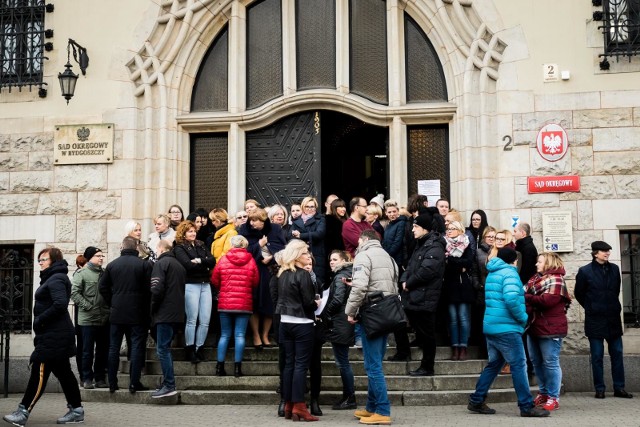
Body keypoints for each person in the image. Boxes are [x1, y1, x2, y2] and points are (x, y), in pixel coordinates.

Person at [3, 248, 85, 426]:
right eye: (39, 259)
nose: (39, 262)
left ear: (53, 261)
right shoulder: (54, 277)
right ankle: (76, 410)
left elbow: (60, 304)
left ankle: (23, 412)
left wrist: (39, 319)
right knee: (64, 373)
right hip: (55, 335)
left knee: (39, 372)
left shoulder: (55, 279)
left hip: (54, 337)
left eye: (43, 259)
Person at [467, 248, 549, 417]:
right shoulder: (510, 274)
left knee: (494, 364)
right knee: (519, 365)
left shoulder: (493, 273)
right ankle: (526, 406)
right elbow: (512, 299)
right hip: (507, 328)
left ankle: (476, 400)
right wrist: (523, 317)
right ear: (513, 260)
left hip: (492, 326)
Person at [345, 229, 398, 425]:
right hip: (386, 315)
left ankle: (382, 411)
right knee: (374, 362)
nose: (357, 244)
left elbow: (360, 287)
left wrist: (350, 311)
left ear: (365, 240)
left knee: (372, 365)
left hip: (371, 315)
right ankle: (371, 406)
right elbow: (393, 287)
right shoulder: (388, 257)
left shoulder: (363, 255)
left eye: (358, 241)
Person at [575, 240, 633, 399]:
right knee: (597, 355)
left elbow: (615, 290)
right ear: (595, 253)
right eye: (603, 251)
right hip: (595, 318)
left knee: (617, 354)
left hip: (613, 318)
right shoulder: (585, 271)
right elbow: (579, 293)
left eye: (608, 250)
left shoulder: (614, 269)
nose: (607, 253)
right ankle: (599, 389)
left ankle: (619, 388)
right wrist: (591, 306)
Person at [272, 239, 319, 422]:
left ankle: (289, 405)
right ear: (298, 255)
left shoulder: (283, 274)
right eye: (306, 253)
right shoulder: (303, 275)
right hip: (302, 323)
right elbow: (308, 302)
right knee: (300, 365)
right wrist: (317, 303)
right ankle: (299, 406)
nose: (309, 256)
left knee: (289, 364)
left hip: (285, 323)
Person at [99, 236, 153, 394]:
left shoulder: (112, 265)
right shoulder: (144, 265)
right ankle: (134, 383)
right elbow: (149, 290)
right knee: (136, 347)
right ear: (136, 248)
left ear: (122, 248)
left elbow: (103, 288)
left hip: (117, 312)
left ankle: (112, 383)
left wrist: (113, 301)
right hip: (137, 312)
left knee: (113, 347)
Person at [397, 212, 445, 375]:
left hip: (425, 297)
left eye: (416, 226)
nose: (412, 230)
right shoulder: (421, 244)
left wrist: (409, 283)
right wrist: (404, 280)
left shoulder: (435, 246)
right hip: (414, 295)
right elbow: (409, 266)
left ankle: (427, 366)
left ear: (425, 228)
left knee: (427, 334)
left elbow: (427, 271)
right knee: (420, 331)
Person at [525, 252, 572, 411]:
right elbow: (525, 292)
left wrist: (526, 297)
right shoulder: (536, 279)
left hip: (551, 328)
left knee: (550, 363)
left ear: (549, 264)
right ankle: (543, 393)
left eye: (539, 262)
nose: (536, 264)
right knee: (536, 361)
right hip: (534, 326)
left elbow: (546, 301)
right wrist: (527, 297)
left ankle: (553, 397)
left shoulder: (557, 280)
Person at [211, 235, 260, 377]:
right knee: (240, 335)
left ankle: (219, 367)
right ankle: (238, 369)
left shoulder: (223, 259)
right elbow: (255, 281)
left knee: (225, 334)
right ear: (244, 245)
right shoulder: (251, 261)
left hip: (225, 302)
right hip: (244, 303)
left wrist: (225, 288)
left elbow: (215, 279)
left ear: (232, 245)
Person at [240, 208, 287, 348]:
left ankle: (265, 335)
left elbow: (282, 247)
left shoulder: (275, 228)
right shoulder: (244, 229)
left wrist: (272, 257)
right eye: (251, 220)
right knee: (254, 303)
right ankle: (255, 335)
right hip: (254, 270)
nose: (252, 224)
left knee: (270, 303)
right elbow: (242, 250)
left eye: (256, 221)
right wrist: (258, 246)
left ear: (263, 221)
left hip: (271, 270)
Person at [173, 220, 216, 363]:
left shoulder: (201, 244)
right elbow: (187, 265)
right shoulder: (179, 248)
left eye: (194, 231)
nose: (193, 233)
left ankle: (199, 347)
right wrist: (203, 263)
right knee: (192, 319)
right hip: (191, 284)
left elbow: (212, 260)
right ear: (183, 233)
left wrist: (199, 261)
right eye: (190, 231)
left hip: (205, 284)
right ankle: (190, 348)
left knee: (205, 319)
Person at [149, 240, 186, 398]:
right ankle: (167, 383)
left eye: (156, 249)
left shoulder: (161, 263)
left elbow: (156, 289)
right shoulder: (179, 265)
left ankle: (169, 384)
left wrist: (152, 309)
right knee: (164, 348)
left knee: (162, 350)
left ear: (161, 248)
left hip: (164, 313)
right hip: (176, 313)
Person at [70, 246, 110, 390]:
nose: (101, 258)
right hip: (87, 319)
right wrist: (88, 306)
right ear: (90, 257)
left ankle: (100, 378)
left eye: (102, 256)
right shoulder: (82, 273)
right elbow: (74, 293)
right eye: (98, 256)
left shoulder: (105, 273)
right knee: (87, 350)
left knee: (102, 350)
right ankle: (86, 378)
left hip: (103, 318)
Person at [324, 250, 357, 411]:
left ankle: (350, 397)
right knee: (343, 361)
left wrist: (326, 314)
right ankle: (348, 396)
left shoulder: (339, 277)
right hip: (345, 322)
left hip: (339, 322)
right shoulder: (350, 274)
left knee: (342, 362)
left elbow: (337, 299)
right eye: (330, 259)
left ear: (344, 260)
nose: (331, 262)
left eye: (335, 259)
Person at [444, 221, 475, 361]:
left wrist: (452, 262)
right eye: (448, 229)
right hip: (449, 286)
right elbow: (445, 265)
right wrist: (457, 264)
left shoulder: (466, 243)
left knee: (463, 318)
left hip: (463, 286)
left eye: (453, 229)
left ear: (460, 230)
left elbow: (468, 262)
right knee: (453, 319)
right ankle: (455, 347)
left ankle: (463, 347)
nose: (449, 231)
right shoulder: (443, 244)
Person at [291, 196, 327, 283]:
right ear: (303, 207)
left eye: (312, 206)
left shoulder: (320, 219)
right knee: (302, 281)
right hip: (301, 255)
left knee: (317, 281)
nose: (310, 209)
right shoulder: (296, 220)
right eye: (307, 206)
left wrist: (301, 235)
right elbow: (292, 237)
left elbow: (319, 234)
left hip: (316, 254)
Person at [381, 199, 406, 268]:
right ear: (386, 213)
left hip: (397, 260)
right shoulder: (389, 224)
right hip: (389, 259)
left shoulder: (401, 223)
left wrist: (387, 255)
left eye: (394, 211)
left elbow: (397, 242)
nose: (392, 214)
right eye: (389, 212)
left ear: (398, 211)